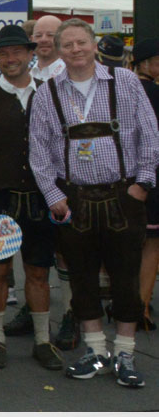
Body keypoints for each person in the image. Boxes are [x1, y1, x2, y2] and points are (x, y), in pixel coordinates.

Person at [29, 19, 159, 388]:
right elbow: (38, 152)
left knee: (125, 278)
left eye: (81, 42)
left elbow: (150, 136)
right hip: (75, 200)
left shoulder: (126, 82)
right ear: (58, 49)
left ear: (93, 44)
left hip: (123, 195)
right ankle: (96, 351)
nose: (75, 50)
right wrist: (54, 197)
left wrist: (142, 186)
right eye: (67, 44)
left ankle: (125, 353)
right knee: (82, 277)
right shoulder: (47, 93)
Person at [0, 25, 62, 371]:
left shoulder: (48, 92)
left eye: (17, 52)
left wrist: (58, 192)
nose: (11, 59)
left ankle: (42, 340)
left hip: (40, 193)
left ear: (30, 53)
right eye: (4, 54)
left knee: (37, 270)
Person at [132, 37, 159, 332]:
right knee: (151, 244)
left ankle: (123, 300)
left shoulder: (121, 90)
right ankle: (141, 306)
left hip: (124, 175)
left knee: (125, 243)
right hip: (153, 175)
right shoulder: (155, 93)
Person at [0, 14, 65, 86]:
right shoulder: (23, 72)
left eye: (50, 35)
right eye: (38, 35)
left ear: (62, 38)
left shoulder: (69, 72)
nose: (43, 40)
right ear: (32, 39)